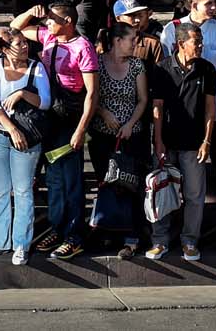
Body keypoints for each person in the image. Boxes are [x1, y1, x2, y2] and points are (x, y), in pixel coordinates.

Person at [10, 0, 97, 260]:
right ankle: (57, 228)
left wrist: (81, 129)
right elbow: (14, 29)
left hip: (70, 116)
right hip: (49, 115)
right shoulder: (48, 36)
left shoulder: (83, 47)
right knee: (54, 179)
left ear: (68, 22)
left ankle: (74, 235)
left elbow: (92, 93)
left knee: (72, 179)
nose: (47, 23)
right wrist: (29, 11)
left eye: (52, 19)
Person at [147, 22, 215, 262]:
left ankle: (189, 241)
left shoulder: (207, 69)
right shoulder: (162, 69)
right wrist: (158, 141)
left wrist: (207, 141)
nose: (200, 46)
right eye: (196, 42)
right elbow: (157, 108)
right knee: (161, 192)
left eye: (201, 41)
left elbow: (209, 109)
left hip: (194, 143)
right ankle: (160, 240)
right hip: (167, 141)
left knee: (195, 195)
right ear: (180, 44)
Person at [0, 23, 50, 265]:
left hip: (28, 136)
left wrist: (22, 93)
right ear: (5, 48)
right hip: (2, 135)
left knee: (23, 191)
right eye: (19, 43)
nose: (24, 46)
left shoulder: (36, 67)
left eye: (25, 42)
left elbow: (45, 102)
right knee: (0, 191)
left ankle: (21, 244)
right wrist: (11, 129)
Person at [88, 22, 148, 258]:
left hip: (131, 136)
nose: (136, 44)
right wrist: (104, 113)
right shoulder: (99, 63)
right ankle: (108, 232)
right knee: (107, 184)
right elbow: (91, 95)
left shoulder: (136, 65)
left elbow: (143, 100)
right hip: (103, 134)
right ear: (117, 41)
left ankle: (131, 238)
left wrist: (130, 124)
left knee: (129, 185)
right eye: (132, 39)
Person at [162, 0, 216, 72]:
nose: (214, 7)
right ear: (194, 6)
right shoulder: (172, 28)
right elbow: (166, 62)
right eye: (208, 4)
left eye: (214, 3)